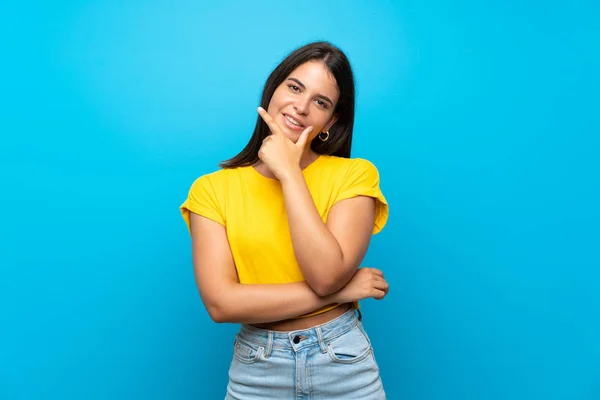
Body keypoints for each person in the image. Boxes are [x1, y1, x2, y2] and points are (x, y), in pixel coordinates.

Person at [180, 41, 390, 399]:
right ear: (273, 89)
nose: (302, 106)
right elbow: (221, 304)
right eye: (294, 87)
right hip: (257, 366)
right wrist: (343, 291)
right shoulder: (212, 189)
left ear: (332, 120)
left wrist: (290, 173)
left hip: (342, 361)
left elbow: (325, 274)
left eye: (321, 102)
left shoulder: (355, 176)